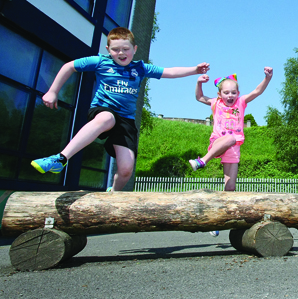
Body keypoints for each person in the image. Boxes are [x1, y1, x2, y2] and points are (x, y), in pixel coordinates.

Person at [31, 27, 210, 191]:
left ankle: (113, 194)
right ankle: (60, 159)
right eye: (116, 49)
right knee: (107, 119)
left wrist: (194, 70)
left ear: (134, 49)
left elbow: (169, 72)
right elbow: (69, 66)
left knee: (125, 170)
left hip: (126, 120)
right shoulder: (100, 62)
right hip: (103, 109)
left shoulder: (140, 68)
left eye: (125, 49)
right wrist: (53, 91)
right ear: (108, 50)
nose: (121, 53)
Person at [188, 68, 273, 236]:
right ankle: (202, 161)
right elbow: (199, 97)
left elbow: (258, 91)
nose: (230, 96)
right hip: (219, 143)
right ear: (220, 94)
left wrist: (267, 78)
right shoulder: (216, 103)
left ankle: (217, 221)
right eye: (226, 93)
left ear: (238, 93)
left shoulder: (241, 102)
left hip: (233, 150)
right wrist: (199, 83)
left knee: (230, 187)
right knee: (231, 138)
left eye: (233, 92)